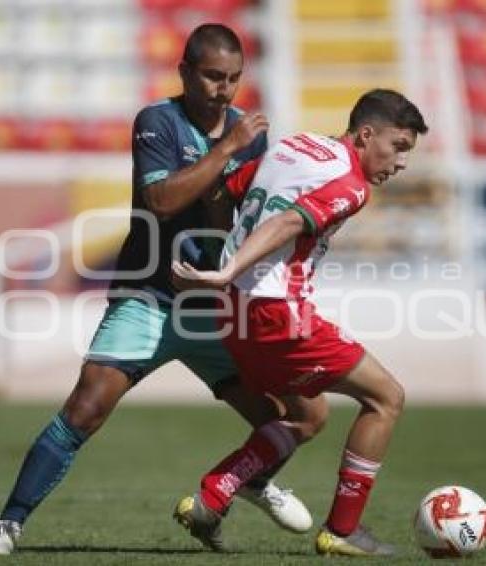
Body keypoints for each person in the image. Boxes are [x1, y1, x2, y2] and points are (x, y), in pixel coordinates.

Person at [0, 23, 327, 556]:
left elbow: (250, 215)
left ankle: (248, 483)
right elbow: (161, 200)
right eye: (212, 76)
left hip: (214, 308)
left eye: (233, 78)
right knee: (86, 408)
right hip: (150, 297)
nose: (223, 89)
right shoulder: (158, 122)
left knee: (290, 417)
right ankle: (8, 523)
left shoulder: (252, 136)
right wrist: (227, 150)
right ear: (186, 72)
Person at [170, 88, 428, 556]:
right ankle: (344, 531)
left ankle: (214, 495)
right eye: (399, 146)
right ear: (366, 134)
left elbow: (222, 191)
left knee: (309, 415)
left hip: (233, 311)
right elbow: (289, 223)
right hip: (275, 311)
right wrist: (230, 267)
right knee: (387, 398)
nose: (402, 161)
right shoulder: (352, 185)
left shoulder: (293, 144)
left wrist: (222, 264)